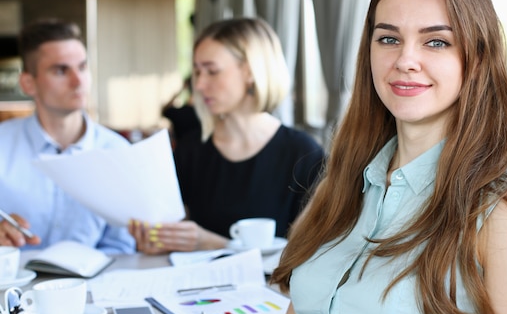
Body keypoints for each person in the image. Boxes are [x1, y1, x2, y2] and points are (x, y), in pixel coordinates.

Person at [271, 0, 507, 314]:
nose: (405, 59)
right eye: (389, 38)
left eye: (436, 42)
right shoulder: (339, 185)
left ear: (477, 58)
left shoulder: (504, 205)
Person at [129, 17, 325, 254]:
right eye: (197, 72)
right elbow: (177, 232)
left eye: (212, 71)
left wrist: (214, 244)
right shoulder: (190, 150)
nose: (199, 85)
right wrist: (158, 242)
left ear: (251, 72)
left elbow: (312, 253)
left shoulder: (304, 154)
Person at [0, 18, 136, 253]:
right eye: (61, 70)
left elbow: (122, 246)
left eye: (82, 67)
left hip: (98, 284)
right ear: (28, 83)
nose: (78, 81)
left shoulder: (118, 152)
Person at [161, 75, 201, 146]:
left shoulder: (179, 113)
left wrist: (181, 90)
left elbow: (164, 110)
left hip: (181, 150)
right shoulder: (205, 114)